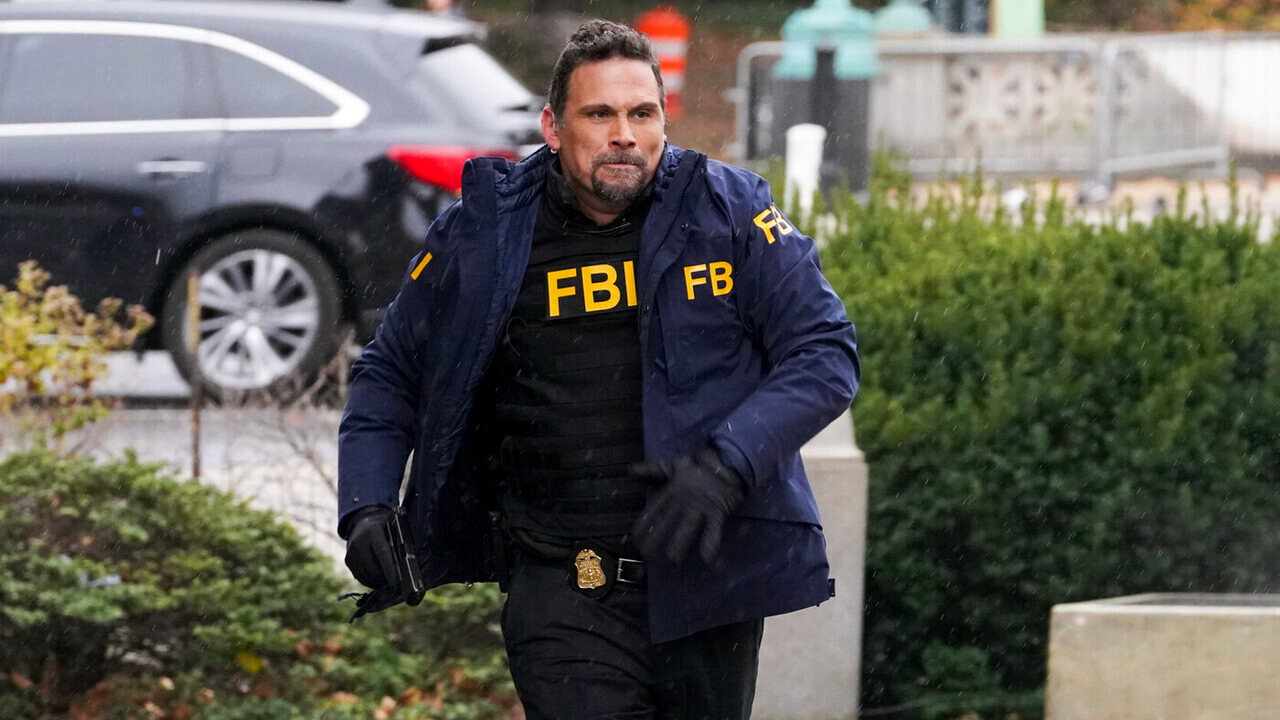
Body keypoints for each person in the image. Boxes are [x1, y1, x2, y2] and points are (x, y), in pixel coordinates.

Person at [338, 19, 859, 720]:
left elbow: (824, 351)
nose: (624, 135)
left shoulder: (731, 212)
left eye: (643, 114)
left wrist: (727, 464)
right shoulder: (487, 231)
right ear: (553, 128)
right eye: (600, 114)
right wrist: (366, 501)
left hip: (708, 582)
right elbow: (391, 370)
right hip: (561, 585)